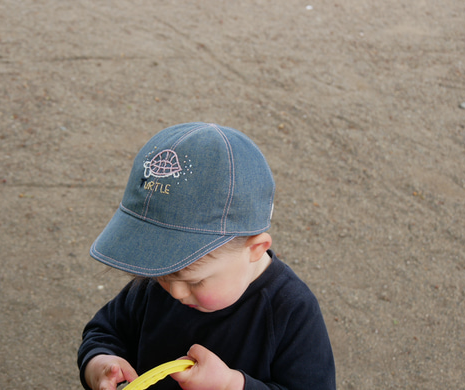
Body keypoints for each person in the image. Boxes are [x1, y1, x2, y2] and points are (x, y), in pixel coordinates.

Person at [78, 122, 336, 390]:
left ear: (255, 249)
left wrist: (231, 386)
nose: (174, 291)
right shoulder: (155, 285)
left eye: (194, 281)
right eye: (161, 272)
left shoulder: (291, 310)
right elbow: (105, 330)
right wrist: (100, 364)